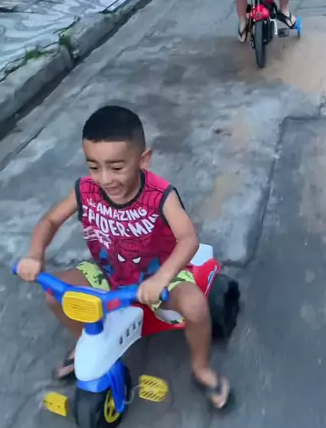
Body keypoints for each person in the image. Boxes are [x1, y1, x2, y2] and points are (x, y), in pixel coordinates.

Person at [16, 105, 230, 410]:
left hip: (158, 274)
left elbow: (188, 238)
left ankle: (201, 368)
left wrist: (162, 278)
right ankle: (84, 342)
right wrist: (35, 255)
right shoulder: (85, 190)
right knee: (55, 295)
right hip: (109, 272)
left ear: (143, 160)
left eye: (116, 167)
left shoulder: (160, 195)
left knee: (195, 305)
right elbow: (50, 221)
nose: (105, 179)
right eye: (94, 166)